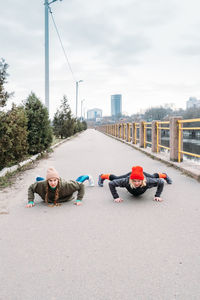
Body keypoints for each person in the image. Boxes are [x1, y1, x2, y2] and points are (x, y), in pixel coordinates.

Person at [98, 166, 172, 203]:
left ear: (142, 180)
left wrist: (157, 196)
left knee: (153, 176)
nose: (136, 183)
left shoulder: (148, 181)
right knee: (116, 178)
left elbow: (161, 182)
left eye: (139, 181)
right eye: (134, 181)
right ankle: (102, 176)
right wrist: (116, 197)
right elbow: (111, 184)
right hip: (131, 175)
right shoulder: (126, 181)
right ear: (131, 180)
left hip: (143, 175)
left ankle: (164, 175)